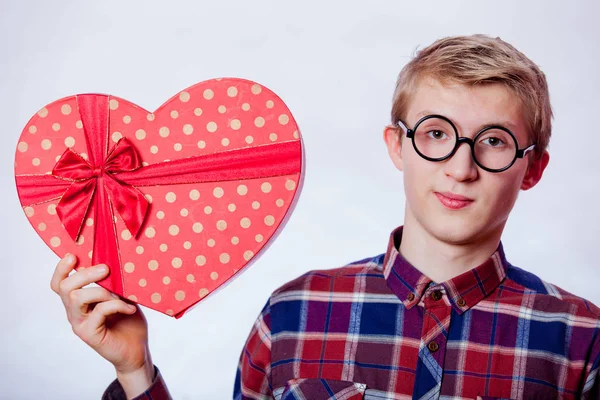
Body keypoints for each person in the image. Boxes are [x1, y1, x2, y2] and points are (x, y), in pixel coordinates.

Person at [50, 34, 600, 399]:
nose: (460, 168)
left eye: (495, 142)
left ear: (532, 169)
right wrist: (134, 369)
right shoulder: (294, 316)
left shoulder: (582, 340)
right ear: (397, 146)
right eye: (436, 134)